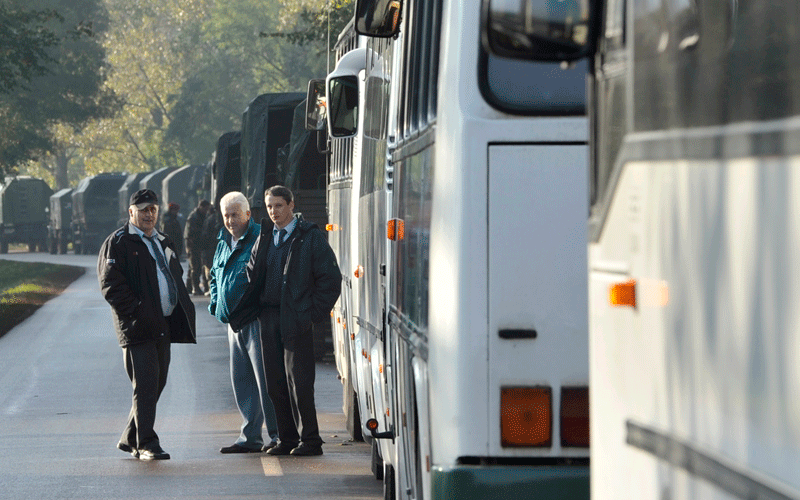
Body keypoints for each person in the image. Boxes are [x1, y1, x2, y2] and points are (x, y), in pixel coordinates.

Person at [231, 185, 341, 457]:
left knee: (300, 382)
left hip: (296, 318)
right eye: (269, 207)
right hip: (268, 318)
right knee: (274, 382)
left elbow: (331, 279)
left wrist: (311, 313)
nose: (273, 211)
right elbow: (251, 270)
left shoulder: (309, 236)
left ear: (291, 205)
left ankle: (311, 440)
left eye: (278, 205)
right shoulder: (267, 236)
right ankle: (287, 439)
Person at [98, 189, 196, 461]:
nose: (148, 214)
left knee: (158, 383)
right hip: (137, 328)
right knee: (145, 386)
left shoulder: (164, 240)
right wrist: (138, 312)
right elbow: (110, 286)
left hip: (162, 324)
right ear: (131, 213)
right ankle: (146, 444)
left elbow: (174, 274)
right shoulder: (118, 242)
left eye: (152, 209)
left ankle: (130, 436)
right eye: (142, 210)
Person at [208, 191, 279, 453]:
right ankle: (250, 437)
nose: (230, 220)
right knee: (243, 381)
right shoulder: (223, 241)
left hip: (255, 321)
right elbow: (215, 277)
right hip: (233, 324)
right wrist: (217, 306)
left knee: (266, 381)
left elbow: (266, 279)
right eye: (226, 215)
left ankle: (278, 435)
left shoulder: (262, 238)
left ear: (248, 214)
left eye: (235, 214)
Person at [184, 199, 211, 295]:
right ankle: (195, 288)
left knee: (194, 267)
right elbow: (190, 233)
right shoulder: (194, 217)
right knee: (195, 267)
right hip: (193, 245)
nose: (206, 211)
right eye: (205, 208)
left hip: (198, 245)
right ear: (201, 207)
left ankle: (189, 287)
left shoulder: (201, 215)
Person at [201, 204, 223, 296]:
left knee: (209, 268)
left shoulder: (209, 219)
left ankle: (211, 288)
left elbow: (205, 235)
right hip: (218, 247)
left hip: (209, 248)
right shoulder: (221, 219)